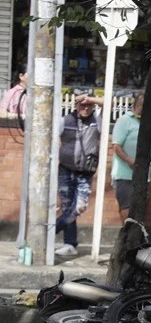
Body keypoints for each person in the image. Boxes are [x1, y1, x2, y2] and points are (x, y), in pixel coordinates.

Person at [54, 94, 103, 257]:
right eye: (82, 105)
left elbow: (109, 102)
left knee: (79, 207)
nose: (86, 108)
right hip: (65, 170)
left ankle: (50, 231)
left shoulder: (97, 120)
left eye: (89, 106)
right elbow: (52, 139)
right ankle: (70, 244)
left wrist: (90, 99)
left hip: (85, 172)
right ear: (76, 106)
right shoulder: (65, 120)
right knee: (67, 207)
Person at [110, 93, 144, 223]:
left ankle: (136, 235)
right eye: (141, 105)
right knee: (127, 206)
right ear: (135, 105)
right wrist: (130, 160)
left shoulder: (148, 122)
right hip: (124, 174)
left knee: (139, 208)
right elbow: (116, 146)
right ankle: (127, 233)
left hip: (142, 175)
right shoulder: (125, 120)